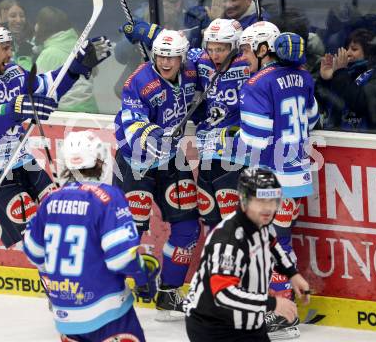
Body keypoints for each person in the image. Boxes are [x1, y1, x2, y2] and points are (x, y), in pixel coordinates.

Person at [0, 23, 111, 248]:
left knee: (62, 220)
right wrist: (17, 107)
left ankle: (73, 279)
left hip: (26, 164)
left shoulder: (13, 73)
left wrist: (73, 68)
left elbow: (46, 87)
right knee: (39, 243)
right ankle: (57, 282)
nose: (10, 53)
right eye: (4, 48)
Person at [23, 130, 160, 342]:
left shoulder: (50, 201)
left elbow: (34, 253)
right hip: (109, 313)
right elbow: (120, 258)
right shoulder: (109, 197)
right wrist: (143, 275)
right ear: (101, 160)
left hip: (65, 316)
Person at [233, 22, 319, 338]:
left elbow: (253, 140)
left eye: (246, 50)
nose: (242, 57)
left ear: (263, 48)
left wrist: (220, 142)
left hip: (272, 178)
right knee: (279, 242)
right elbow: (311, 119)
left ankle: (283, 315)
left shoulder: (257, 83)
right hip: (297, 176)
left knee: (271, 246)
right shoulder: (304, 77)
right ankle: (284, 310)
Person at [113, 29, 200, 320]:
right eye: (161, 55)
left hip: (171, 160)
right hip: (136, 163)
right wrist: (154, 135)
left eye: (172, 56)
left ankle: (168, 293)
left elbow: (215, 57)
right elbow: (133, 124)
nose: (165, 61)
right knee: (127, 233)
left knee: (188, 228)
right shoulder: (138, 81)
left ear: (182, 57)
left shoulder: (191, 70)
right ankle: (109, 290)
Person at [185, 168, 311, 342]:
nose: (268, 208)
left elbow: (273, 246)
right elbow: (223, 294)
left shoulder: (258, 222)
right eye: (260, 201)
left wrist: (293, 275)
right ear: (244, 201)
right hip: (212, 326)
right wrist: (273, 304)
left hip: (247, 320)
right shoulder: (227, 241)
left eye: (273, 200)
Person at [114, 0, 210, 98]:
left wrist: (214, 20)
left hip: (187, 83)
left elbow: (209, 52)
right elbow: (120, 55)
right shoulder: (142, 16)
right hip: (149, 85)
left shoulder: (196, 13)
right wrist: (142, 32)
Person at [191, 18, 250, 227]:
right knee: (210, 220)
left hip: (235, 153)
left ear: (236, 46)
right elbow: (171, 52)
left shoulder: (249, 64)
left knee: (232, 221)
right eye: (211, 48)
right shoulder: (200, 60)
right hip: (207, 149)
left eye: (222, 49)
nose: (215, 55)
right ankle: (214, 259)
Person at [34, 6, 99, 113]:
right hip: (92, 110)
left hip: (67, 114)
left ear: (42, 27)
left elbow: (36, 90)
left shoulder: (49, 54)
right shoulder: (80, 45)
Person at [316, 28, 376, 130]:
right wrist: (325, 80)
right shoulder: (343, 73)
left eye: (354, 49)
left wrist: (340, 73)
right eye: (347, 48)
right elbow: (320, 105)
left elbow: (362, 103)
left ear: (368, 52)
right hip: (334, 134)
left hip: (363, 140)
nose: (348, 53)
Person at [0, 0, 34, 69]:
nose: (19, 20)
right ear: (0, 19)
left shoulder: (30, 42)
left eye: (22, 16)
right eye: (13, 16)